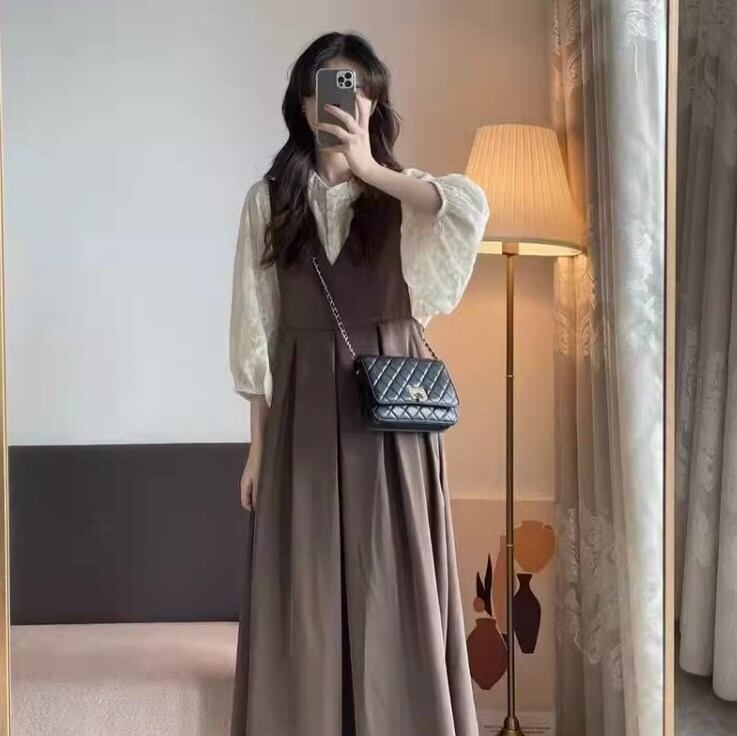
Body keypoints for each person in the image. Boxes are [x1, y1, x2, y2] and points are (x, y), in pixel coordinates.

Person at [229, 30, 489, 736]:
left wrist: (372, 168)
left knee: (392, 588)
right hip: (303, 413)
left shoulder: (402, 196)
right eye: (325, 89)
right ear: (301, 101)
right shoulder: (268, 201)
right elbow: (256, 331)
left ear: (374, 104)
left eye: (356, 90)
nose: (339, 104)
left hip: (391, 423)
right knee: (305, 595)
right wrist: (256, 449)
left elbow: (466, 209)